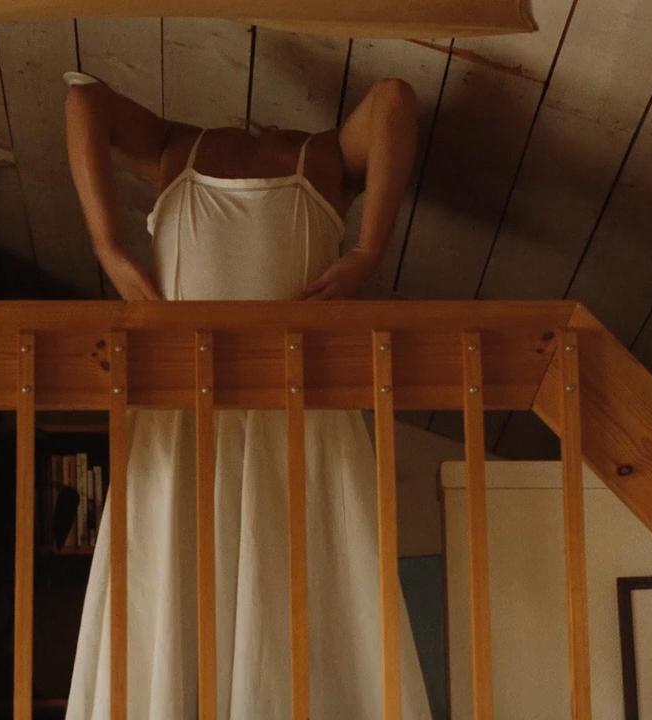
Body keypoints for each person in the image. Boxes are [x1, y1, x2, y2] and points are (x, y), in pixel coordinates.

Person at [63, 71, 431, 719]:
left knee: (307, 585)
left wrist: (368, 251)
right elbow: (83, 101)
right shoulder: (174, 146)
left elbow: (395, 100)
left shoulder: (324, 155)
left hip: (299, 412)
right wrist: (108, 248)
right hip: (182, 413)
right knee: (170, 580)